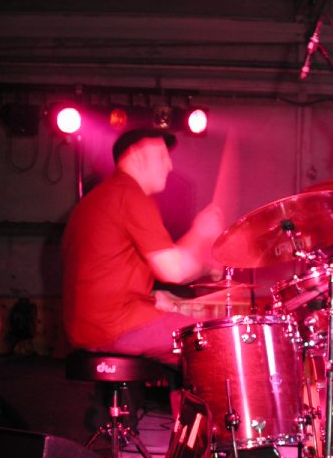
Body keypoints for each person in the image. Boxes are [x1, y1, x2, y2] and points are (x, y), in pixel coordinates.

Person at [62, 128, 225, 365]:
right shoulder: (129, 194)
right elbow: (175, 271)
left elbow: (99, 276)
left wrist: (151, 298)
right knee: (218, 340)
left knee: (191, 349)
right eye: (162, 156)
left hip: (85, 329)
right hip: (115, 328)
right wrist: (202, 234)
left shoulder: (95, 199)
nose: (169, 165)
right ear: (137, 156)